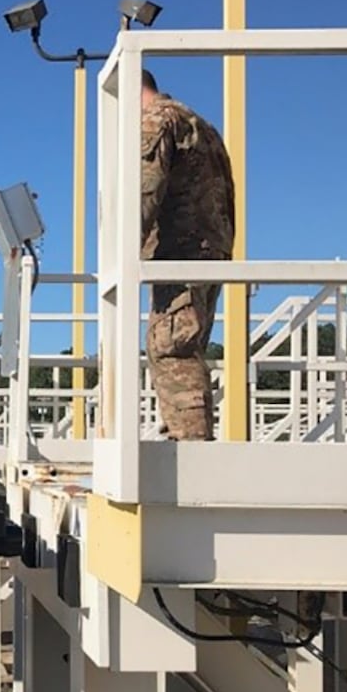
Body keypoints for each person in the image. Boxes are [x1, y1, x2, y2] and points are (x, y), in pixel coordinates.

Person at [139, 69, 237, 441]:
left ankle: (191, 446)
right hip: (210, 250)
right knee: (185, 344)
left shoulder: (157, 120)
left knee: (171, 347)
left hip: (181, 253)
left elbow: (143, 194)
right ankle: (185, 435)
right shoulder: (202, 125)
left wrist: (121, 253)